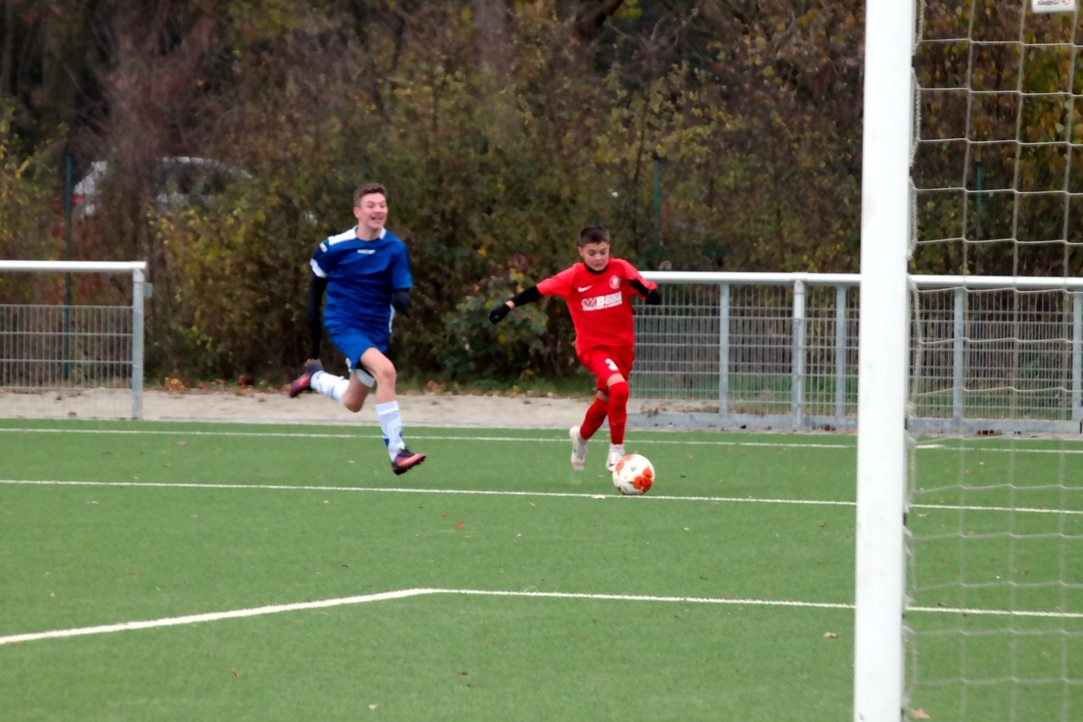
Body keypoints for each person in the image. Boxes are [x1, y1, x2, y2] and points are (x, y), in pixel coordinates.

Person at [488, 225, 661, 472]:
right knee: (620, 389)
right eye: (592, 253)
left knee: (606, 399)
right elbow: (539, 290)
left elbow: (648, 292)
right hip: (593, 348)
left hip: (623, 348)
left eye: (603, 252)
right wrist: (508, 305)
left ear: (609, 249)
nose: (599, 258)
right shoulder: (574, 277)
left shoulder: (621, 269)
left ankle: (580, 437)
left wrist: (650, 294)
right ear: (581, 252)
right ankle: (617, 451)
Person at [288, 182, 426, 475]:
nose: (378, 210)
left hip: (377, 329)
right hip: (345, 323)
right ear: (357, 212)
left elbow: (400, 289)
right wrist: (313, 336)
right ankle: (398, 451)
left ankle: (315, 378)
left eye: (382, 205)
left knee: (353, 401)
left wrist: (403, 300)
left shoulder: (395, 248)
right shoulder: (333, 247)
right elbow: (315, 292)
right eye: (371, 205)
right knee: (386, 372)